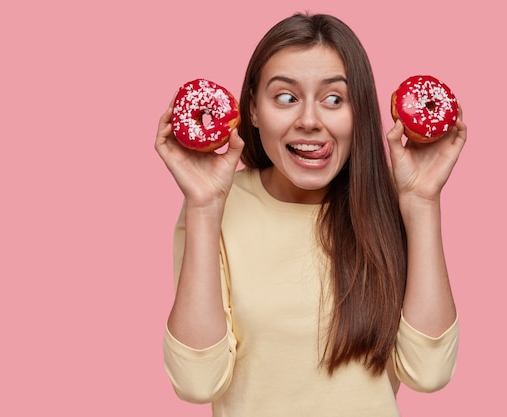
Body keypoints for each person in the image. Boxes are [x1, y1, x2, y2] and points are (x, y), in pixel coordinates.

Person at [155, 12, 466, 417]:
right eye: (286, 98)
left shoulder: (394, 202)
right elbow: (197, 382)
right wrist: (203, 207)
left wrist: (423, 203)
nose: (308, 121)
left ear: (361, 113)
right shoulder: (216, 205)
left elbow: (428, 372)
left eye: (334, 99)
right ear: (251, 109)